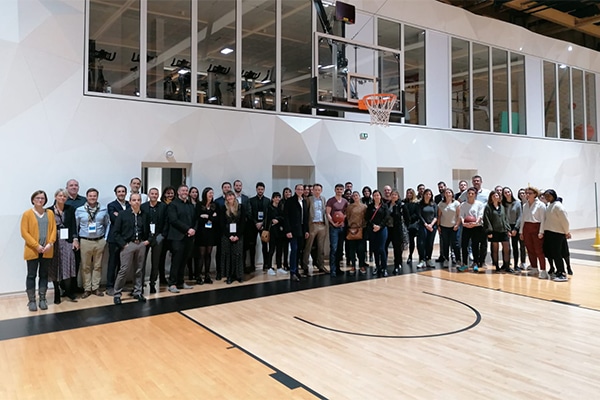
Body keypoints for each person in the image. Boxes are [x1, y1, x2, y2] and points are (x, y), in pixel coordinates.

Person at [112, 193, 152, 305]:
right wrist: (124, 245)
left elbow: (150, 229)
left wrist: (148, 241)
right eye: (134, 200)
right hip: (128, 245)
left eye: (138, 200)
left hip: (141, 244)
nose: (136, 202)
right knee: (124, 270)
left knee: (139, 269)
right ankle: (117, 294)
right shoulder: (123, 214)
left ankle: (137, 292)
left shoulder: (145, 214)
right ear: (129, 202)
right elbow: (116, 232)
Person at [21, 190, 57, 311]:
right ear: (33, 200)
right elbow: (24, 233)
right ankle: (31, 300)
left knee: (44, 274)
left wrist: (50, 243)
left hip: (47, 250)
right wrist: (36, 245)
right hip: (33, 250)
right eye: (37, 198)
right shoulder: (27, 214)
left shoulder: (50, 213)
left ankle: (42, 298)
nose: (40, 200)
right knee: (31, 275)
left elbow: (53, 230)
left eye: (42, 198)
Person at [75, 188, 109, 298]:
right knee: (85, 266)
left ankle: (95, 288)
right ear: (87, 197)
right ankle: (87, 288)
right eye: (90, 196)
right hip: (85, 241)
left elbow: (107, 224)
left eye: (94, 196)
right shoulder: (80, 210)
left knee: (98, 266)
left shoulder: (103, 209)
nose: (92, 198)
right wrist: (76, 239)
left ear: (97, 197)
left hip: (99, 240)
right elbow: (76, 226)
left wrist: (105, 238)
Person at [48, 189, 78, 303]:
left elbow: (73, 225)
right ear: (55, 197)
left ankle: (68, 291)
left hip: (67, 240)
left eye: (64, 196)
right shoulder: (49, 210)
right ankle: (57, 291)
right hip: (54, 240)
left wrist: (75, 239)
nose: (62, 198)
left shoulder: (70, 209)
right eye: (60, 196)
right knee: (55, 265)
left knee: (68, 264)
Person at [166, 185, 196, 293]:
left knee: (184, 260)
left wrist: (194, 230)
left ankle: (180, 281)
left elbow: (195, 219)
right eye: (183, 190)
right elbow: (173, 220)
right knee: (176, 261)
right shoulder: (173, 205)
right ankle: (172, 283)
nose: (185, 192)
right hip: (177, 237)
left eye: (186, 190)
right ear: (178, 192)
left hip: (189, 237)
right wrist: (187, 229)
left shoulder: (190, 205)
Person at [141, 187, 168, 294]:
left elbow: (166, 221)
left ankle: (152, 283)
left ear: (158, 195)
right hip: (145, 237)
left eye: (156, 194)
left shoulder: (163, 206)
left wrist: (162, 235)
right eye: (152, 193)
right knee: (141, 262)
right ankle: (140, 284)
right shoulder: (143, 206)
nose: (154, 195)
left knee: (155, 262)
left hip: (158, 237)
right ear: (149, 195)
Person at [105, 184, 130, 296]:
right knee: (113, 263)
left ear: (126, 193)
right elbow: (114, 219)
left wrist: (120, 215)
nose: (121, 193)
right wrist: (125, 216)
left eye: (123, 191)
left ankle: (119, 285)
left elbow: (130, 219)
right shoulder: (111, 205)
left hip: (126, 238)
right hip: (114, 239)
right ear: (116, 193)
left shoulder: (129, 204)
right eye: (119, 191)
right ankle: (109, 286)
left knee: (123, 264)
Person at [542, 189, 571, 282]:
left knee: (557, 254)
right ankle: (558, 271)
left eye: (548, 196)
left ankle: (562, 273)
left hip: (557, 233)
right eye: (545, 196)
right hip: (550, 233)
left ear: (554, 195)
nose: (547, 198)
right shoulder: (550, 205)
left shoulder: (558, 206)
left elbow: (565, 220)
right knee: (553, 254)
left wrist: (566, 232)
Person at [519, 186, 547, 279]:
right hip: (527, 228)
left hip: (536, 228)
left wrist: (541, 231)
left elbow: (543, 219)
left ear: (535, 194)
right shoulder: (525, 205)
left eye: (530, 193)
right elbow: (523, 219)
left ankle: (543, 270)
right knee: (530, 249)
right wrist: (521, 231)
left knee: (538, 250)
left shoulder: (541, 205)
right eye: (526, 193)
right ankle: (534, 267)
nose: (527, 195)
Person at [283, 184, 309, 281]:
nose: (300, 191)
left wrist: (306, 230)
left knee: (299, 250)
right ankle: (292, 272)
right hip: (293, 230)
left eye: (302, 189)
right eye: (298, 189)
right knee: (294, 249)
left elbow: (305, 217)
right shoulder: (290, 201)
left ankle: (297, 270)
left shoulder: (304, 201)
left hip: (301, 229)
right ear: (295, 190)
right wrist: (288, 230)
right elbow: (286, 216)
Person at [220, 191, 246, 284]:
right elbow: (222, 224)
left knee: (237, 255)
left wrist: (237, 235)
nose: (230, 197)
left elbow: (243, 222)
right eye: (228, 196)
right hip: (227, 236)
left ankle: (238, 275)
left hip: (238, 235)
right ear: (226, 198)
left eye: (231, 195)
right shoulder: (223, 208)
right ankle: (229, 276)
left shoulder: (241, 207)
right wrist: (229, 236)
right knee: (228, 255)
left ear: (234, 197)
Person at [303, 183, 329, 275]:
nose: (317, 191)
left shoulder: (323, 199)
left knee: (321, 247)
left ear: (321, 191)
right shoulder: (309, 199)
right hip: (312, 225)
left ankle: (321, 266)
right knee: (308, 246)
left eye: (319, 190)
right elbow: (305, 213)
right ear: (313, 190)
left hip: (322, 224)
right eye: (315, 190)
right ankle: (305, 266)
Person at [457, 187, 485, 272]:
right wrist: (463, 223)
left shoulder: (479, 204)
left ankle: (475, 263)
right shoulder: (463, 205)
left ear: (475, 195)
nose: (470, 195)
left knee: (475, 245)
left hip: (476, 227)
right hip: (466, 227)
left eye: (472, 193)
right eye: (469, 193)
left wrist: (475, 222)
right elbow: (461, 215)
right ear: (467, 195)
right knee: (464, 245)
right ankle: (465, 264)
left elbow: (480, 215)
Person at [484, 191, 512, 273]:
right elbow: (486, 219)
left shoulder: (502, 207)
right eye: (493, 196)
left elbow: (505, 219)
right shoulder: (488, 207)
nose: (495, 197)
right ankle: (496, 266)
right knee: (495, 249)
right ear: (491, 198)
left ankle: (507, 266)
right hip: (494, 231)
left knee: (507, 248)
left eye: (497, 195)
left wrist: (508, 229)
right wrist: (489, 231)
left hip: (503, 230)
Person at [195, 187, 219, 284]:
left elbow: (217, 219)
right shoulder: (199, 204)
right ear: (205, 194)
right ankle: (198, 275)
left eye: (212, 193)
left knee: (208, 254)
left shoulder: (215, 205)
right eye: (209, 193)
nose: (211, 195)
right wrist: (211, 216)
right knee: (201, 255)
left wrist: (207, 216)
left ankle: (207, 275)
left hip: (211, 233)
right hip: (201, 233)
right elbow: (198, 218)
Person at [247, 182, 270, 272]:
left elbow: (268, 214)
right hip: (253, 226)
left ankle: (266, 264)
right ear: (256, 189)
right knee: (252, 246)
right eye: (259, 189)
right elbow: (249, 213)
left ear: (264, 190)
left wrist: (262, 223)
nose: (260, 191)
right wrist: (256, 223)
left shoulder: (267, 200)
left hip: (263, 226)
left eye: (262, 189)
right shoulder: (251, 200)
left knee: (265, 245)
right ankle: (252, 265)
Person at [366, 190, 390, 277]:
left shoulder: (384, 206)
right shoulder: (370, 206)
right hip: (372, 229)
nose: (376, 197)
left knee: (381, 249)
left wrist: (380, 226)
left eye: (378, 195)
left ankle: (384, 268)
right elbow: (367, 218)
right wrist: (373, 226)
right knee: (375, 249)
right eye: (374, 195)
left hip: (382, 229)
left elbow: (386, 217)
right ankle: (377, 267)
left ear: (380, 196)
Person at [326, 184, 348, 277]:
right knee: (334, 248)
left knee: (340, 249)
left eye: (341, 189)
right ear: (335, 190)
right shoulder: (331, 200)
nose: (339, 191)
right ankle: (333, 269)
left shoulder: (345, 201)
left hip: (342, 227)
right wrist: (333, 223)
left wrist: (342, 219)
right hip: (334, 227)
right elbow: (328, 213)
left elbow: (346, 212)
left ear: (343, 190)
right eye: (337, 189)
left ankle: (338, 268)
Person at [502, 187, 526, 271]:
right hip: (506, 227)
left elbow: (520, 216)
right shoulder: (502, 204)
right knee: (506, 247)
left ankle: (516, 265)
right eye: (505, 192)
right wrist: (507, 229)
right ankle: (506, 264)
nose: (507, 194)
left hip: (515, 227)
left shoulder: (517, 203)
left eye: (508, 192)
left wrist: (515, 229)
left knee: (515, 246)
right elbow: (503, 217)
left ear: (511, 192)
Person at [437, 188, 461, 268]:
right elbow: (439, 215)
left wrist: (457, 224)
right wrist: (438, 226)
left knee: (455, 244)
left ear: (452, 194)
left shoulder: (456, 203)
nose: (448, 194)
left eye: (449, 192)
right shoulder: (441, 204)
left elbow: (459, 215)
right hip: (444, 227)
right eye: (446, 192)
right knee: (445, 244)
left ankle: (458, 260)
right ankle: (446, 259)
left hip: (454, 227)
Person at [265, 192, 287, 276]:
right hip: (272, 231)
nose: (277, 199)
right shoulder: (269, 208)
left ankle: (279, 267)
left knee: (279, 250)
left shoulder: (281, 207)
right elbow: (268, 219)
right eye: (276, 197)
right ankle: (269, 267)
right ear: (273, 198)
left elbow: (283, 217)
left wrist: (278, 219)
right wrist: (273, 220)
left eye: (279, 197)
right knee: (271, 250)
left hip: (280, 231)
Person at [345, 191, 367, 274]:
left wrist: (363, 226)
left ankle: (362, 265)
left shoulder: (364, 206)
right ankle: (353, 265)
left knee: (361, 249)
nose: (355, 197)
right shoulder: (349, 207)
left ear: (359, 196)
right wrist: (350, 226)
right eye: (353, 196)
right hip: (351, 229)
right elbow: (347, 217)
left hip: (361, 229)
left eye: (356, 195)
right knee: (352, 249)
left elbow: (366, 217)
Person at [416, 189, 438, 269]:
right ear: (423, 195)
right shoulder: (419, 204)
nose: (428, 196)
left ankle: (429, 259)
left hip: (432, 226)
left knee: (430, 243)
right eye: (426, 194)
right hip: (423, 226)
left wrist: (431, 225)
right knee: (421, 243)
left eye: (429, 194)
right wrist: (426, 224)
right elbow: (419, 215)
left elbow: (436, 216)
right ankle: (422, 260)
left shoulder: (434, 204)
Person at [389, 190, 409, 274]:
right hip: (388, 228)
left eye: (395, 194)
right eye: (392, 194)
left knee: (397, 248)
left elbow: (407, 218)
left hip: (397, 229)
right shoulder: (387, 204)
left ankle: (397, 264)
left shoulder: (401, 205)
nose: (393, 196)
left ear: (398, 196)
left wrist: (405, 227)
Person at [186, 186, 200, 280]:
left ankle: (197, 273)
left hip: (198, 231)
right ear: (189, 193)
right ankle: (190, 272)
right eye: (193, 192)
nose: (194, 194)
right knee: (189, 254)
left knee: (197, 254)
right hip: (189, 231)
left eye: (196, 192)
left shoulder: (199, 204)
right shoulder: (187, 204)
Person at [404, 188, 420, 265]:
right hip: (406, 224)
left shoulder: (416, 203)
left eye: (410, 193)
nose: (409, 194)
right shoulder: (404, 202)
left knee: (419, 242)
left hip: (414, 224)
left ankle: (421, 257)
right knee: (411, 241)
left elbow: (417, 213)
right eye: (408, 193)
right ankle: (410, 256)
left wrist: (410, 218)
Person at [280, 187, 293, 270]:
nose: (288, 193)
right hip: (283, 227)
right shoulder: (281, 202)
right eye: (286, 192)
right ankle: (284, 263)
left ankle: (290, 263)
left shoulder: (293, 202)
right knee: (284, 247)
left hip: (292, 227)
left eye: (289, 192)